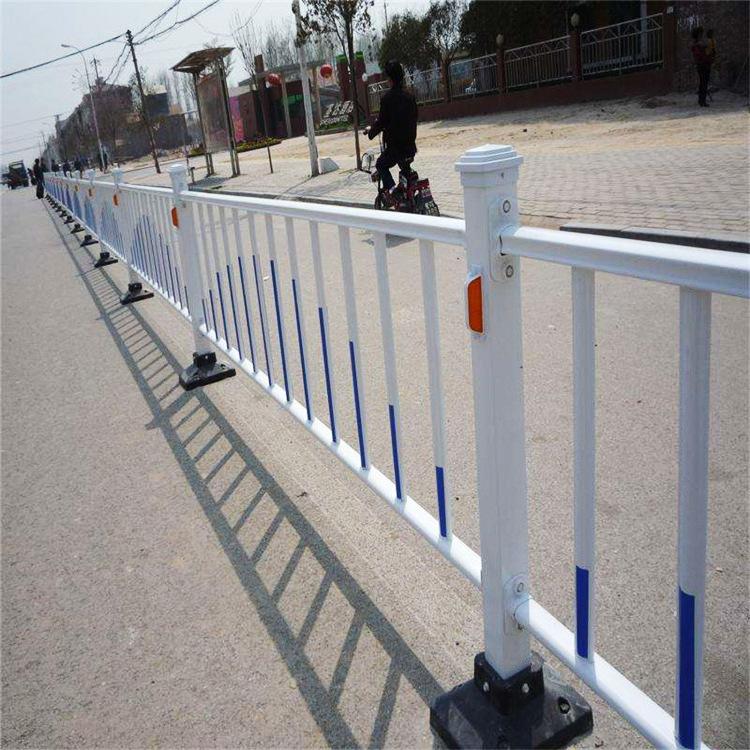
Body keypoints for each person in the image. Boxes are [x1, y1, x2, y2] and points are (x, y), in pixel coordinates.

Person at [364, 60, 418, 205]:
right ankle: (407, 196)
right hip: (410, 148)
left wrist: (371, 133)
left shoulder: (387, 99)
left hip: (396, 149)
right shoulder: (410, 97)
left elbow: (381, 122)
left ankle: (394, 192)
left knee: (381, 164)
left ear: (390, 79)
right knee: (404, 167)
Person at [690, 27, 711, 107]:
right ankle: (702, 101)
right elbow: (700, 55)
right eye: (701, 34)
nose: (702, 35)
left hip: (702, 64)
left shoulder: (697, 44)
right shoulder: (697, 45)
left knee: (703, 82)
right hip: (702, 64)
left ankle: (701, 100)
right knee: (703, 83)